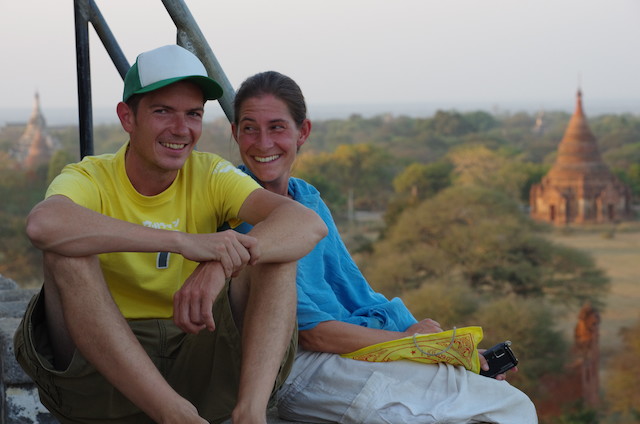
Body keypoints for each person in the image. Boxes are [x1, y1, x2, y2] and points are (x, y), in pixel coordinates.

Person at [14, 46, 327, 424]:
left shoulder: (209, 174)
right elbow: (43, 225)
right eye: (162, 111)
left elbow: (306, 223)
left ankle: (250, 414)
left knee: (275, 256)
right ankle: (173, 414)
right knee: (66, 251)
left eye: (193, 114)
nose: (181, 129)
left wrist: (218, 267)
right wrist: (182, 241)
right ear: (127, 117)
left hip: (194, 358)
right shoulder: (91, 177)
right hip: (101, 375)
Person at [229, 70, 538, 423]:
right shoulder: (236, 205)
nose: (263, 143)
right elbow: (311, 333)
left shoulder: (307, 200)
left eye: (277, 127)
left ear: (303, 132)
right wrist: (413, 344)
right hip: (297, 367)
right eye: (250, 128)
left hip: (355, 350)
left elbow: (356, 292)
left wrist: (438, 346)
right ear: (235, 133)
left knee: (508, 404)